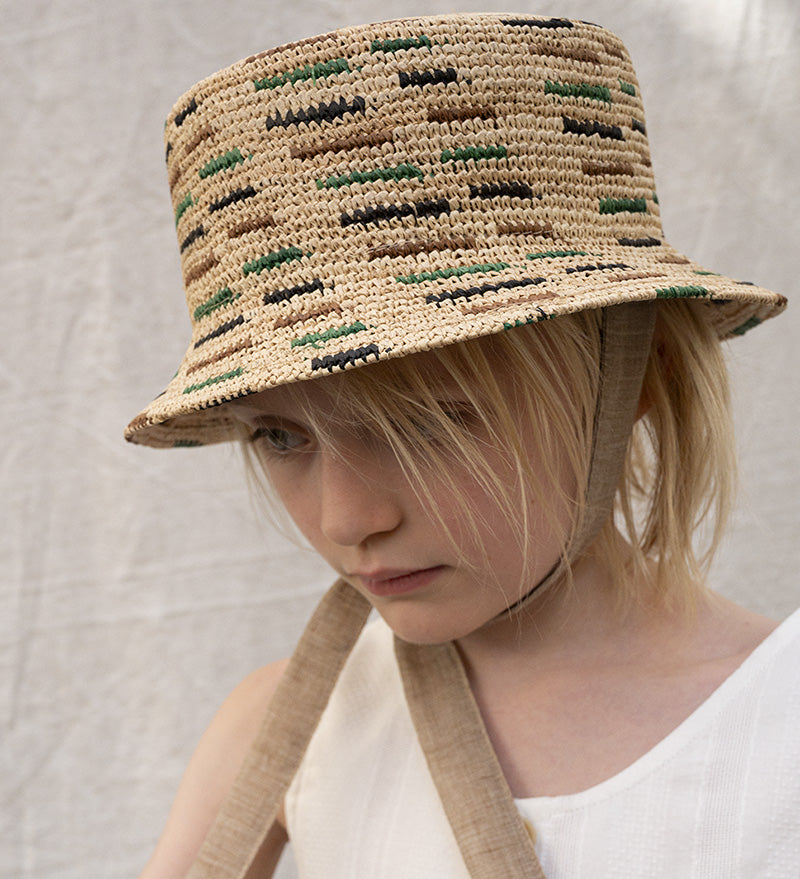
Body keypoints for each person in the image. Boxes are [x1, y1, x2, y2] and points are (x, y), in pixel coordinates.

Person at [126, 13, 797, 878]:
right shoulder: (289, 728)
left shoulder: (780, 728)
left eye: (424, 422)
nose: (348, 516)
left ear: (636, 374)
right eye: (281, 434)